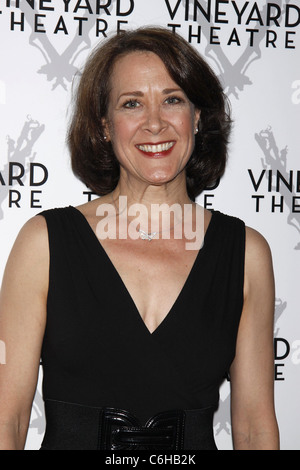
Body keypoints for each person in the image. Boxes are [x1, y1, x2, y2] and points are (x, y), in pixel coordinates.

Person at [0, 27, 279, 450]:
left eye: (172, 100)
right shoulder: (44, 244)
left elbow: (255, 430)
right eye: (132, 103)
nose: (154, 123)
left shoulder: (246, 254)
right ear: (105, 127)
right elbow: (9, 418)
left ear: (197, 117)